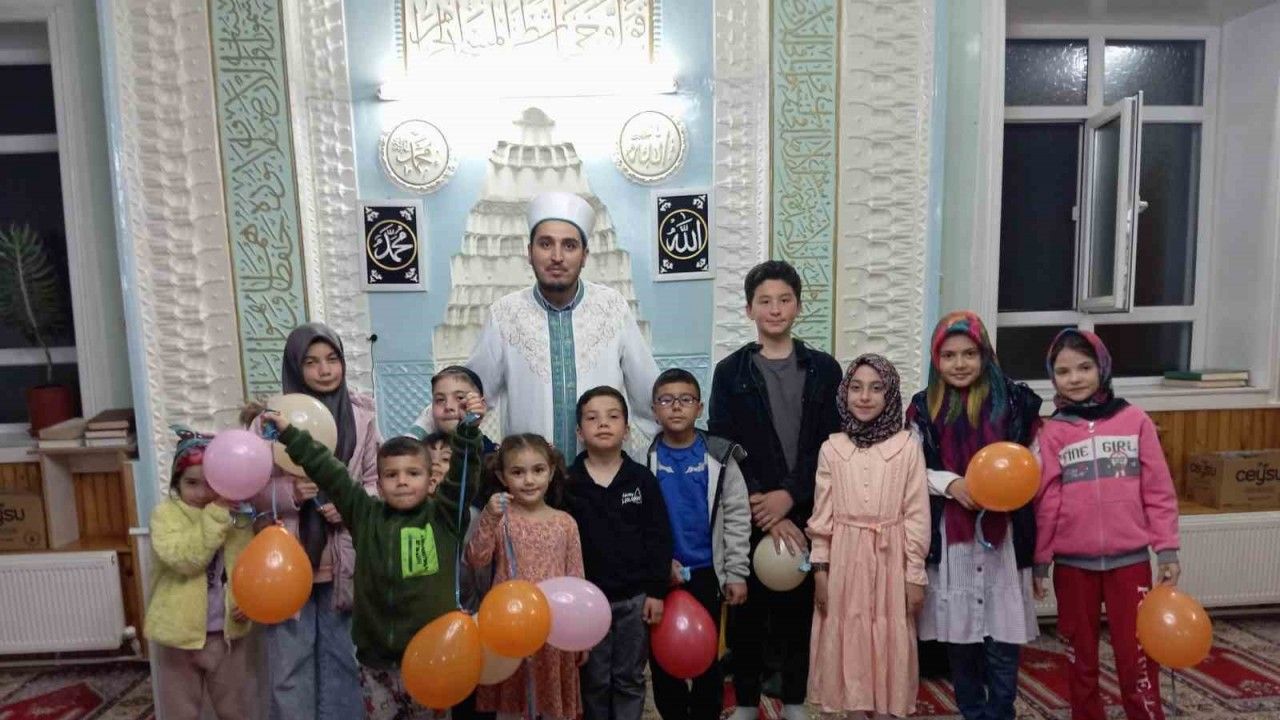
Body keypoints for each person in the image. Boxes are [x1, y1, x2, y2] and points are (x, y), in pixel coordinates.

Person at [260, 390, 485, 720]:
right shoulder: (365, 514)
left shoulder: (444, 518)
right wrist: (290, 433)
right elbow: (330, 472)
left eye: (413, 473)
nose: (402, 482)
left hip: (432, 658)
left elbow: (464, 475)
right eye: (392, 475)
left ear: (430, 481)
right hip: (375, 662)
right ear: (378, 485)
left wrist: (468, 433)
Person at [410, 192, 660, 455]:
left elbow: (649, 394)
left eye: (569, 246)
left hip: (604, 472)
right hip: (528, 475)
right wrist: (413, 440)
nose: (557, 256)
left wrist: (679, 448)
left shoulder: (612, 308)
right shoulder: (505, 314)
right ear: (529, 252)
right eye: (545, 244)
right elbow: (465, 394)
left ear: (585, 255)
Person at [708, 260, 842, 720]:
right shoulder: (730, 372)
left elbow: (830, 444)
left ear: (798, 306)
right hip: (751, 510)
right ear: (749, 309)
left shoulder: (825, 370)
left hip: (807, 509)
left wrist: (790, 497)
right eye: (764, 301)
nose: (775, 309)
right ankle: (746, 701)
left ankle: (796, 699)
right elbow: (723, 443)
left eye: (784, 299)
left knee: (798, 611)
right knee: (747, 612)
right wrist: (764, 505)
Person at [1034, 329, 1181, 720]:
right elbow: (1047, 501)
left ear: (1102, 367)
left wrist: (1167, 549)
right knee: (1079, 655)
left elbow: (1158, 490)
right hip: (1072, 567)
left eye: (1084, 367)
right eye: (1063, 371)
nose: (1075, 378)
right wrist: (1041, 561)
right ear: (1052, 377)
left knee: (1137, 654)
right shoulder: (1052, 431)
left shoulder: (1134, 420)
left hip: (1130, 563)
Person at [905, 311, 1043, 720]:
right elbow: (912, 468)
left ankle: (1001, 710)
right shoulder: (923, 407)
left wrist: (999, 488)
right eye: (949, 355)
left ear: (985, 354)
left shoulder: (1015, 402)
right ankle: (971, 710)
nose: (960, 363)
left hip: (1004, 536)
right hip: (953, 536)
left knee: (1002, 638)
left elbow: (1032, 461)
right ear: (936, 360)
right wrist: (952, 485)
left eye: (969, 353)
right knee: (960, 635)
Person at [250, 322, 381, 720]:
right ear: (295, 366)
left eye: (332, 359)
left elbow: (377, 480)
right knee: (289, 663)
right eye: (311, 362)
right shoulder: (270, 421)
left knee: (344, 659)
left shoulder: (362, 415)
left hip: (344, 556)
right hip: (286, 559)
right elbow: (247, 489)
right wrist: (289, 493)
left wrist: (351, 503)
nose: (325, 370)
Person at [808, 354, 930, 718]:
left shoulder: (907, 447)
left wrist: (914, 574)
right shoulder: (832, 448)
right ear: (844, 392)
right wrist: (820, 570)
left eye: (876, 388)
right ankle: (855, 711)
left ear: (890, 394)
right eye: (857, 388)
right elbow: (822, 516)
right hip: (845, 561)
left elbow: (917, 514)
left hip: (891, 561)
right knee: (848, 634)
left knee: (889, 636)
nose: (864, 397)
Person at [644, 368, 751, 720]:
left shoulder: (719, 456)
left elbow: (737, 516)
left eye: (685, 399)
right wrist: (656, 567)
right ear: (654, 410)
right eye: (666, 400)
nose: (676, 407)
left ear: (699, 407)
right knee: (664, 659)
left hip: (708, 573)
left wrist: (736, 573)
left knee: (708, 660)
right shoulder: (643, 457)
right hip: (662, 576)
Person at [566, 386, 673, 720]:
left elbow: (659, 537)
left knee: (629, 677)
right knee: (594, 679)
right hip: (587, 602)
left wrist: (656, 592)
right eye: (592, 418)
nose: (603, 424)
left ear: (626, 429)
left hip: (634, 600)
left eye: (613, 417)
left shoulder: (642, 480)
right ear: (579, 432)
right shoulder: (567, 483)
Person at [466, 433, 585, 720]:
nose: (529, 480)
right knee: (511, 705)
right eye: (518, 472)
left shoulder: (565, 523)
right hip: (511, 625)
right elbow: (476, 558)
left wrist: (581, 634)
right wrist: (489, 517)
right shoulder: (501, 520)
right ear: (502, 477)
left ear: (551, 472)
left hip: (555, 628)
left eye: (538, 470)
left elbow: (576, 579)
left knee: (552, 704)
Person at [146, 427, 253, 720]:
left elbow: (247, 567)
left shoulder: (238, 518)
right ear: (176, 483)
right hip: (178, 637)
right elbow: (186, 559)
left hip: (226, 635)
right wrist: (216, 513)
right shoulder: (165, 515)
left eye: (210, 484)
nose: (202, 493)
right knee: (181, 712)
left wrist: (249, 602)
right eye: (191, 483)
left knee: (234, 710)